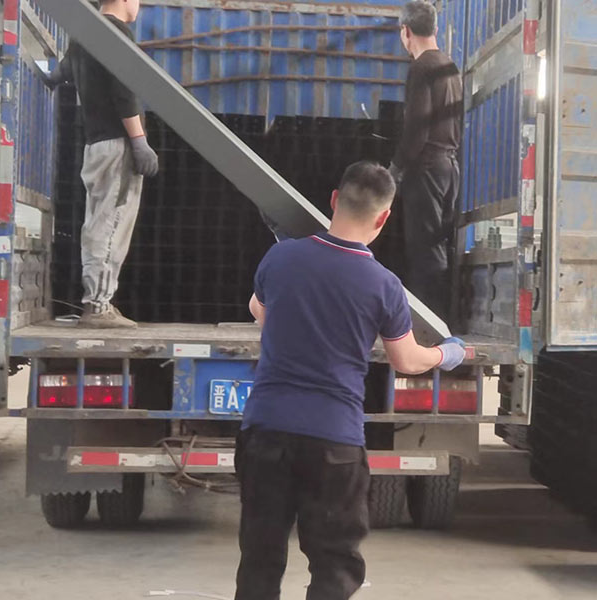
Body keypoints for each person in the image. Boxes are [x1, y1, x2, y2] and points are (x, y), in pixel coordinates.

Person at [235, 161, 466, 600]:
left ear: (335, 200)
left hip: (266, 431)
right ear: (383, 218)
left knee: (259, 558)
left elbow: (259, 311)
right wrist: (449, 353)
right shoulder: (383, 284)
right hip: (334, 442)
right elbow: (406, 359)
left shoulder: (281, 257)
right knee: (334, 566)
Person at [49, 0, 158, 329]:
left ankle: (96, 300)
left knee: (97, 223)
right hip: (117, 145)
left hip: (95, 145)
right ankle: (98, 305)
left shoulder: (84, 34)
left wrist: (48, 76)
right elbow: (124, 93)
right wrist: (138, 141)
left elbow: (63, 72)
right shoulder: (116, 34)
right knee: (112, 224)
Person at [390, 1, 463, 322]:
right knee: (438, 246)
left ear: (406, 31)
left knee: (424, 253)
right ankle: (442, 321)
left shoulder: (421, 68)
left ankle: (428, 327)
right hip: (449, 168)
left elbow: (416, 130)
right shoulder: (450, 66)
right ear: (434, 28)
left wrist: (394, 170)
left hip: (427, 169)